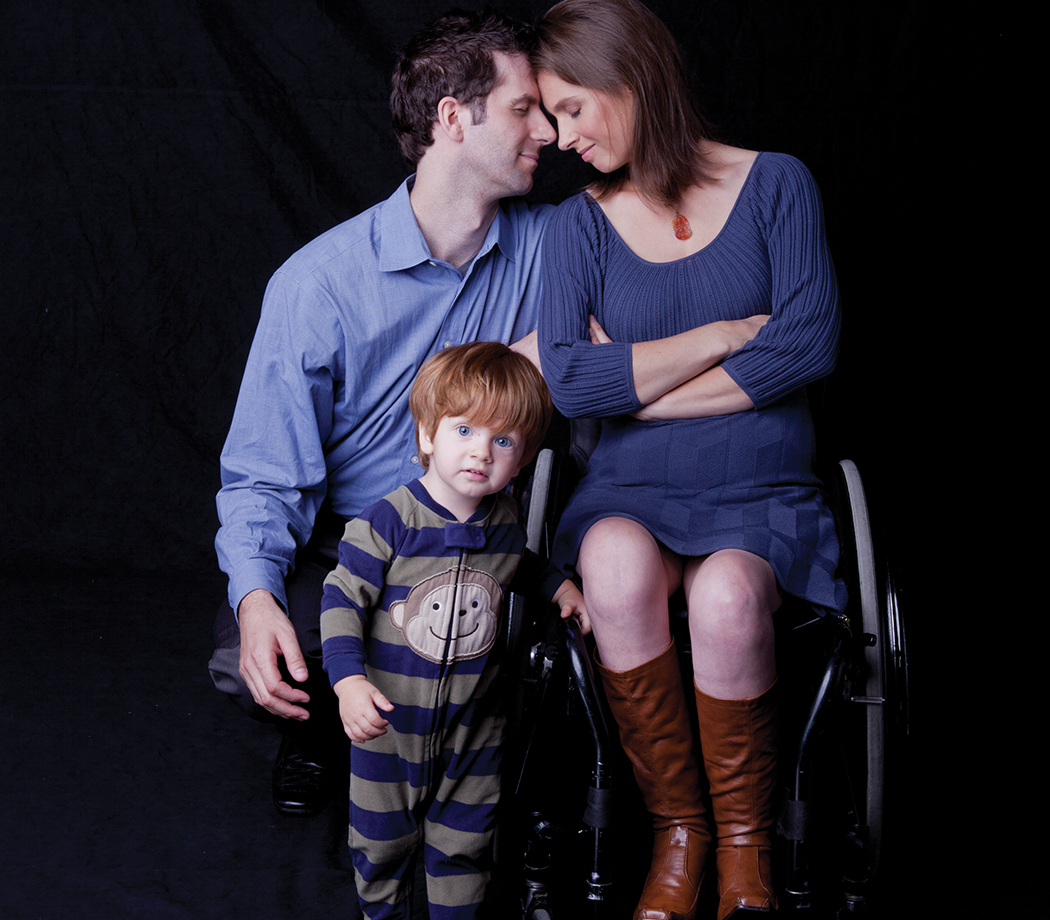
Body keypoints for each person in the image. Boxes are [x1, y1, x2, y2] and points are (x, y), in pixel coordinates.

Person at [532, 2, 846, 919]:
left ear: (630, 78)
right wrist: (722, 335)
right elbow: (572, 384)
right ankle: (681, 833)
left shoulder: (778, 185)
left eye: (572, 109)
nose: (560, 139)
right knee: (618, 569)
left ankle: (745, 848)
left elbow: (807, 347)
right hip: (630, 489)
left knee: (726, 596)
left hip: (763, 484)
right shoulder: (576, 228)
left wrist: (637, 385)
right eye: (549, 119)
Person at [209, 7, 558, 816]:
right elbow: (264, 472)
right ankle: (327, 736)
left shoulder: (555, 245)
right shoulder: (318, 284)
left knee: (496, 649)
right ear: (452, 118)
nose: (546, 128)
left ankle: (452, 752)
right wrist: (256, 598)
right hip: (355, 538)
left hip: (484, 530)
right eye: (522, 108)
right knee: (263, 659)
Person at [321, 342, 583, 919]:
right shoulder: (388, 521)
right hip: (389, 727)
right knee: (382, 844)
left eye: (504, 441)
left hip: (474, 730)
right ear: (426, 436)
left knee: (465, 848)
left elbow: (527, 565)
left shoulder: (506, 525)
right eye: (464, 430)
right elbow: (341, 600)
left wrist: (561, 587)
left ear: (522, 459)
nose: (481, 453)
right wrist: (347, 683)